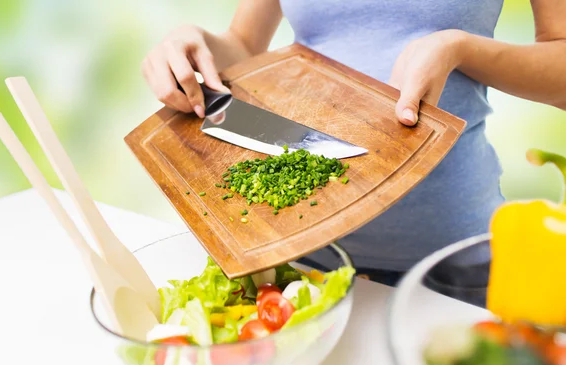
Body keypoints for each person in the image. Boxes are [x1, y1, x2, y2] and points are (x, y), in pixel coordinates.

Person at [141, 1, 566, 286]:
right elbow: (244, 46)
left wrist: (460, 48)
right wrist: (193, 46)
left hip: (451, 258)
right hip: (297, 251)